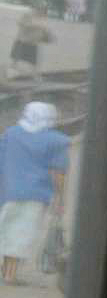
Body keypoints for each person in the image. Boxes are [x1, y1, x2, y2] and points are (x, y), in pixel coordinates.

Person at [0, 102, 68, 285]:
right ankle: (9, 276)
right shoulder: (57, 140)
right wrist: (60, 198)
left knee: (6, 230)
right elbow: (58, 172)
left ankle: (6, 271)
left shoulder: (11, 134)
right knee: (20, 234)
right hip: (35, 194)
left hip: (7, 191)